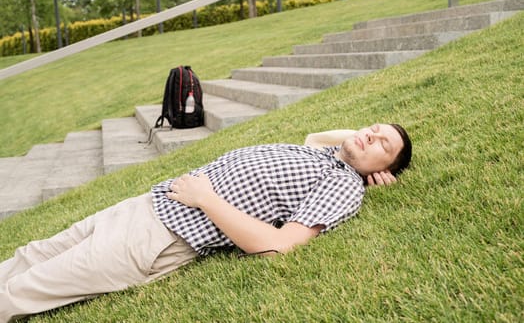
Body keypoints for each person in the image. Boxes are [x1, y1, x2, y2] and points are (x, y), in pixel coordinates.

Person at [0, 123, 412, 322]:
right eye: (370, 129)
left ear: (385, 167)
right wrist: (367, 146)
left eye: (382, 144)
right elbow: (326, 137)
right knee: (28, 256)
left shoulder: (343, 184)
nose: (368, 136)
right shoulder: (324, 154)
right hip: (144, 205)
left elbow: (280, 244)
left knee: (26, 290)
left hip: (159, 236)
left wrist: (206, 199)